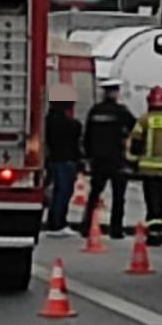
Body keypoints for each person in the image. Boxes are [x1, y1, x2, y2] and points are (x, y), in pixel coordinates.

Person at [79, 79, 136, 239]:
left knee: (94, 194)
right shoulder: (121, 111)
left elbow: (87, 136)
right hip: (116, 159)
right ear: (115, 93)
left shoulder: (95, 111)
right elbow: (135, 128)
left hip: (98, 159)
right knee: (118, 196)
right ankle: (115, 229)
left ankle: (86, 226)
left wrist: (88, 157)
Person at [128, 85, 162, 246]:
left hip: (149, 169)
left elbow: (136, 141)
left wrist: (133, 160)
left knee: (152, 202)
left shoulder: (145, 119)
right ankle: (160, 229)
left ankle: (153, 233)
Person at [44, 84, 82, 235]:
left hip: (52, 159)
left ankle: (54, 221)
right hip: (65, 160)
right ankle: (58, 223)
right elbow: (75, 135)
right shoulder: (70, 124)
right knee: (63, 192)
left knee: (56, 192)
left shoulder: (47, 121)